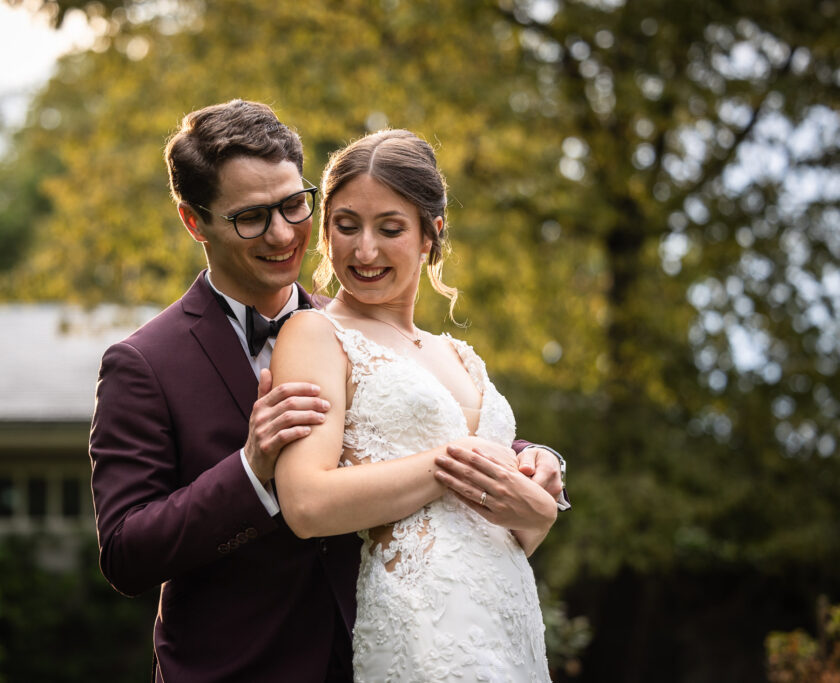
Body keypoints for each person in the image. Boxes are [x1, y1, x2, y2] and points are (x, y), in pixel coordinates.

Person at [89, 100, 565, 683]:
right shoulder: (144, 363)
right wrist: (248, 470)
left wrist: (531, 459)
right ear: (194, 221)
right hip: (240, 669)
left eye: (294, 205)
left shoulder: (358, 324)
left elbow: (420, 421)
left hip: (382, 653)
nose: (284, 233)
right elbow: (125, 553)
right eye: (251, 217)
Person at [272, 128, 558, 681]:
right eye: (346, 225)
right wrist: (453, 460)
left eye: (391, 228)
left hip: (510, 622)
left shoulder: (460, 356)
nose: (365, 250)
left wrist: (539, 513)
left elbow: (498, 528)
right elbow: (305, 504)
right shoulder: (315, 334)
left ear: (432, 234)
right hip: (419, 625)